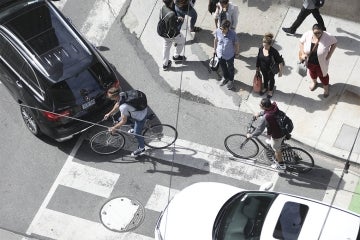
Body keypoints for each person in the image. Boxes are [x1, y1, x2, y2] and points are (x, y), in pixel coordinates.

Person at [104, 87, 148, 157]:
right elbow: (118, 104)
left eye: (110, 97)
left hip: (140, 116)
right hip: (138, 110)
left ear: (114, 97)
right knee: (119, 119)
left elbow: (124, 121)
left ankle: (141, 148)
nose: (109, 98)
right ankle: (134, 127)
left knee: (137, 134)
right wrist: (109, 113)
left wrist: (114, 128)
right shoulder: (122, 94)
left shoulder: (123, 107)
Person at [247, 98, 286, 170]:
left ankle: (281, 165)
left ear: (264, 106)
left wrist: (251, 135)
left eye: (260, 104)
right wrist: (259, 114)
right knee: (266, 132)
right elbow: (267, 111)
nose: (259, 105)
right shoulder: (273, 106)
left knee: (276, 149)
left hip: (278, 134)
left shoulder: (266, 118)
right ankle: (277, 144)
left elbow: (259, 130)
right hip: (283, 128)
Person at [299, 24, 337, 98]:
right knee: (312, 72)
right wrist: (303, 53)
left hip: (321, 63)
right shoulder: (307, 34)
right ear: (312, 31)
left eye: (319, 32)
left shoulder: (328, 36)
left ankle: (326, 88)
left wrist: (330, 54)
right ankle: (314, 82)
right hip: (309, 61)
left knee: (323, 76)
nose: (317, 34)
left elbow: (335, 43)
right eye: (315, 33)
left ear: (322, 31)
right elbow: (301, 42)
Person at [160, 0, 186, 71]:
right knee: (182, 41)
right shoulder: (172, 14)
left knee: (166, 47)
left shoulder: (163, 8)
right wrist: (180, 21)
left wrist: (176, 19)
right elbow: (173, 27)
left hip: (163, 32)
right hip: (171, 35)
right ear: (171, 2)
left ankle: (165, 65)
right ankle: (176, 56)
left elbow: (165, 19)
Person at [214, 19, 240, 90]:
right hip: (220, 54)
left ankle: (231, 80)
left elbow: (236, 44)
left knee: (231, 68)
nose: (222, 31)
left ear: (228, 28)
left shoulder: (233, 34)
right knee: (223, 67)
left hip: (229, 55)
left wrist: (237, 53)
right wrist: (214, 50)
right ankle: (225, 78)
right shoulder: (218, 31)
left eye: (224, 29)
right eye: (221, 28)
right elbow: (216, 40)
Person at [256, 33, 283, 98]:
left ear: (270, 45)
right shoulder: (261, 48)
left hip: (270, 70)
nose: (264, 47)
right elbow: (258, 58)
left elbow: (280, 62)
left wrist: (280, 72)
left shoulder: (274, 52)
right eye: (263, 45)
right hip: (263, 68)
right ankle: (265, 87)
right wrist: (257, 67)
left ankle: (270, 90)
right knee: (265, 78)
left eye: (266, 46)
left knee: (271, 79)